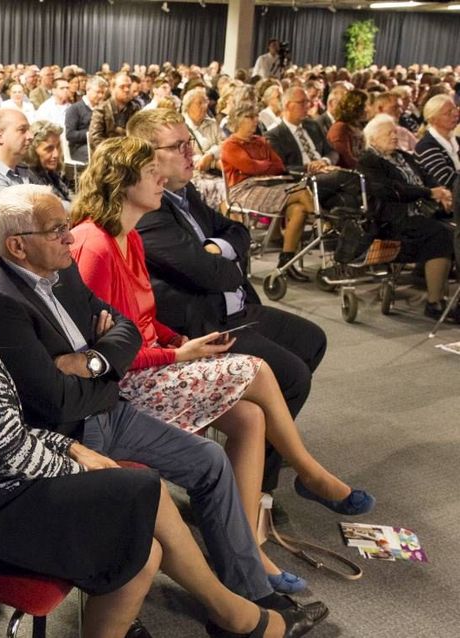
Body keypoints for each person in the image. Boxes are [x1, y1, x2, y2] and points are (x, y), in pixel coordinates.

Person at [0, 207, 319, 638]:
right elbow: (7, 448)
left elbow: (4, 425)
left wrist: (70, 448)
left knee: (143, 543)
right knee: (139, 490)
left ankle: (236, 614)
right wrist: (83, 467)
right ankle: (237, 616)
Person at [70, 137, 373, 588]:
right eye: (152, 172)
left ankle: (246, 551)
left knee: (250, 417)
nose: (161, 179)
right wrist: (178, 353)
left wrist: (181, 341)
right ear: (123, 181)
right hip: (124, 387)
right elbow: (112, 354)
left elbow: (145, 322)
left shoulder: (128, 235)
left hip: (156, 365)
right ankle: (310, 474)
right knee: (257, 368)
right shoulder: (94, 245)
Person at [127, 108, 329, 498]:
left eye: (190, 143)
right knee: (291, 377)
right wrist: (228, 258)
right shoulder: (149, 210)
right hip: (201, 323)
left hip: (232, 304)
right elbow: (210, 272)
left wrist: (220, 250)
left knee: (312, 340)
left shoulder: (184, 194)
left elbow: (237, 231)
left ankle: (264, 450)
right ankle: (255, 491)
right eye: (179, 146)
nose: (192, 153)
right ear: (149, 156)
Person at [358, 115, 457, 321]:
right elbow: (391, 191)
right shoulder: (369, 161)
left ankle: (445, 296)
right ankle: (434, 302)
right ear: (373, 138)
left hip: (420, 213)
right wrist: (428, 193)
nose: (395, 136)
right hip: (391, 220)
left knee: (454, 229)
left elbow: (427, 176)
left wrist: (442, 192)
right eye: (389, 133)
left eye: (396, 132)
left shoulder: (403, 156)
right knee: (442, 235)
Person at [221, 104, 316, 281]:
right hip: (243, 191)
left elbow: (279, 165)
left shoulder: (261, 141)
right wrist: (265, 165)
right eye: (250, 118)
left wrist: (261, 166)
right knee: (302, 190)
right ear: (238, 121)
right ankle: (321, 225)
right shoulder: (230, 145)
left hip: (270, 186)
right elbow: (249, 167)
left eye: (255, 117)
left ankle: (285, 264)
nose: (255, 121)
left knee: (299, 210)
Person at [182, 87, 227, 210]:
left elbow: (224, 145)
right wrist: (213, 162)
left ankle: (231, 225)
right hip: (193, 175)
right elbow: (190, 158)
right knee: (222, 187)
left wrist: (211, 154)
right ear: (188, 106)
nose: (204, 106)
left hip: (214, 173)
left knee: (230, 186)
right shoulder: (180, 126)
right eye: (199, 103)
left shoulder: (212, 124)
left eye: (206, 102)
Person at [414, 94, 460, 190]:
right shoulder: (426, 146)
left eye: (455, 109)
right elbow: (447, 180)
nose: (456, 114)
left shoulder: (456, 140)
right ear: (433, 119)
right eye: (448, 113)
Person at [88, 73, 140, 155]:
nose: (126, 90)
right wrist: (113, 153)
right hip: (107, 155)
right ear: (112, 88)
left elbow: (139, 134)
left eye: (129, 86)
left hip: (129, 154)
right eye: (122, 87)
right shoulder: (102, 109)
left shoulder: (135, 108)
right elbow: (95, 138)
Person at [24, 120, 72, 206]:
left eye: (58, 146)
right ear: (33, 151)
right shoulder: (29, 181)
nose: (56, 154)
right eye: (49, 149)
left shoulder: (51, 173)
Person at [66, 75, 106, 163]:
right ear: (88, 90)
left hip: (100, 144)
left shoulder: (104, 108)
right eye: (98, 92)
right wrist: (91, 133)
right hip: (80, 147)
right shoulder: (75, 109)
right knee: (103, 157)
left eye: (103, 93)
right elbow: (70, 134)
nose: (101, 96)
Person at [326, 89, 367, 170]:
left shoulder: (358, 125)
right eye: (366, 105)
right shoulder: (339, 128)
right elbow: (346, 159)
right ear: (356, 107)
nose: (368, 109)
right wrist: (367, 168)